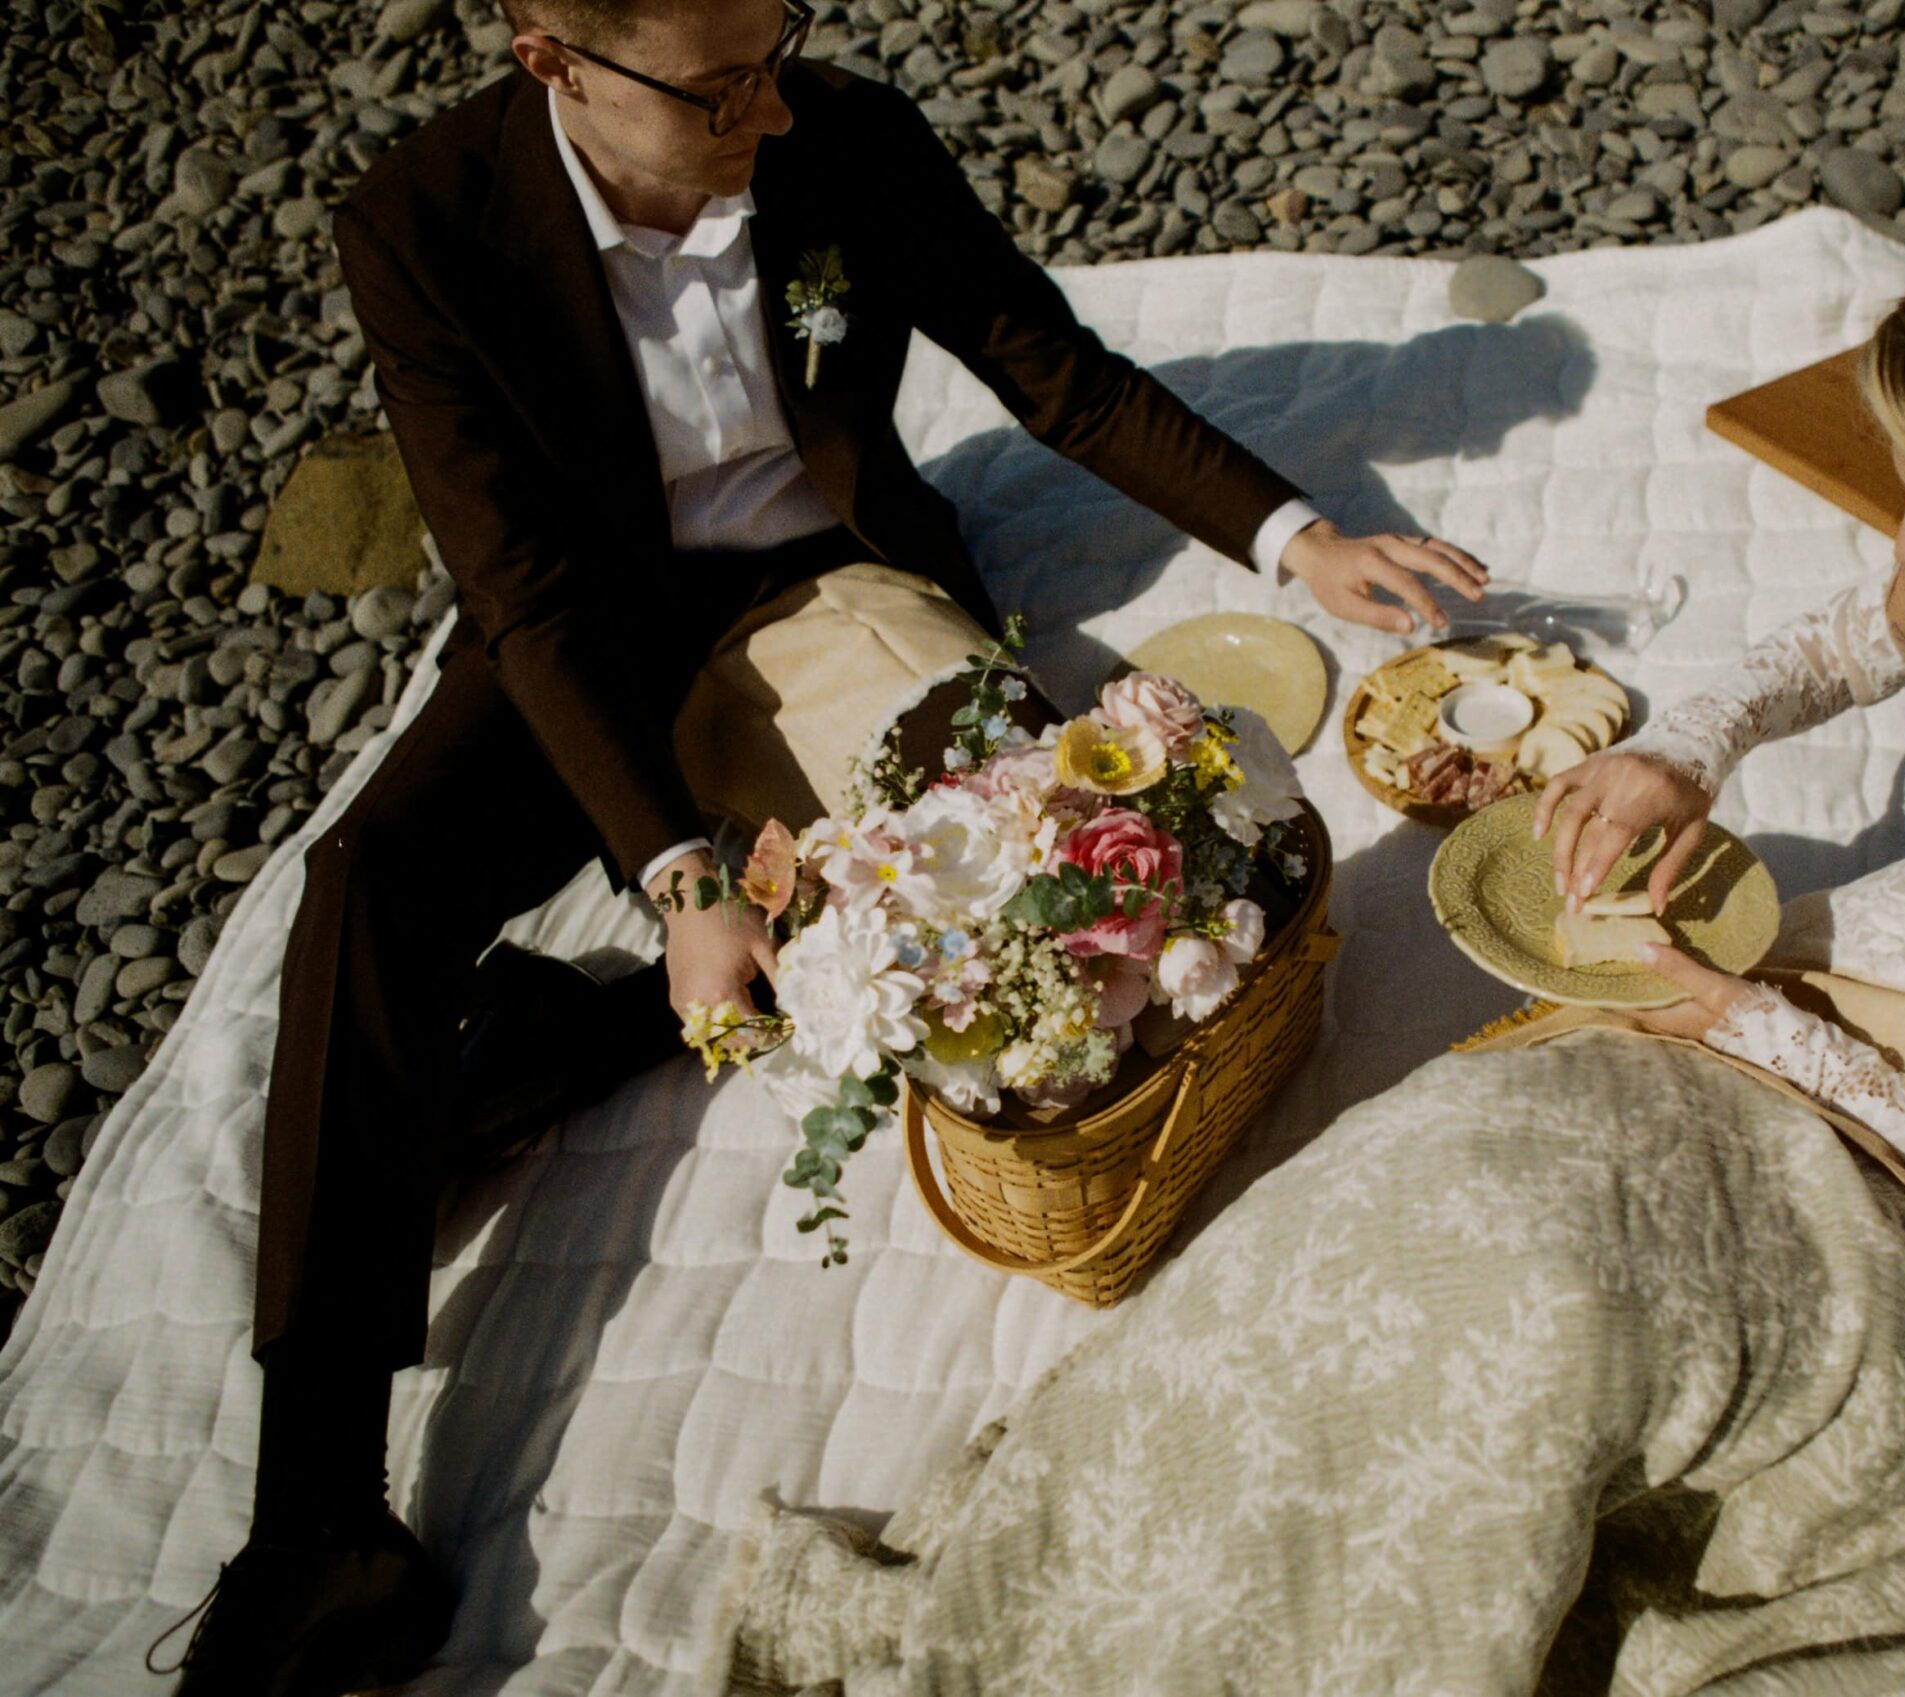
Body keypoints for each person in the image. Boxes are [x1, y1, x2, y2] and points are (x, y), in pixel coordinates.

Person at [709, 117, 1905, 1693]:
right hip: (1815, 1024)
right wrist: (1695, 746)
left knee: (1554, 1300)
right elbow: (1857, 636)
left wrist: (1757, 1033)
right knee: (1439, 1177)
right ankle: (1074, 1593)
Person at [163, 1, 1493, 1690]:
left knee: (1006, 894)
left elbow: (1047, 361)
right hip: (575, 630)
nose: (770, 111)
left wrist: (1296, 537)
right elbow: (519, 583)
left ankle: (569, 1033)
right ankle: (314, 1522)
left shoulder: (840, 133)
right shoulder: (418, 224)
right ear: (548, 57)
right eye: (719, 89)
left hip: (829, 585)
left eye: (779, 49)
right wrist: (680, 873)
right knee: (360, 887)